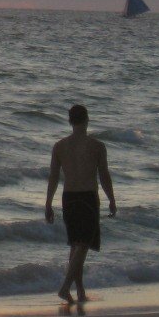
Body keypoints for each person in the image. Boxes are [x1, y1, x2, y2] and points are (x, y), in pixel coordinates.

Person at [44, 104, 116, 304]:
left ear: (69, 121)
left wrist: (48, 203)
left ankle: (81, 291)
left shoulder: (59, 146)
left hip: (68, 198)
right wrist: (111, 199)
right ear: (87, 120)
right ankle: (66, 287)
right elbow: (104, 176)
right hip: (87, 198)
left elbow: (53, 177)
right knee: (83, 245)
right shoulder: (97, 146)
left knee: (76, 245)